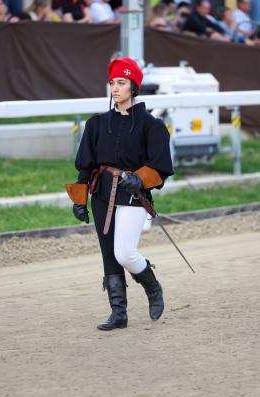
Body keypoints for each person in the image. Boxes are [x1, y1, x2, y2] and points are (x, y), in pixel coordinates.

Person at [66, 57, 174, 331]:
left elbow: (161, 166)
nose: (115, 88)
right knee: (108, 254)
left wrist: (140, 179)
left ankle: (152, 286)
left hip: (133, 195)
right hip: (101, 191)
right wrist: (80, 200)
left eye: (121, 83)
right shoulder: (96, 124)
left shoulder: (153, 125)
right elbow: (85, 165)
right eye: (112, 82)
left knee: (125, 252)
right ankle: (119, 313)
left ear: (134, 87)